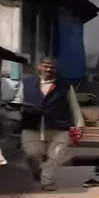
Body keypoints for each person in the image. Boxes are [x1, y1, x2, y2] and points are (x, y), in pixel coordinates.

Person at [13, 57, 84, 191]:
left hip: (58, 124)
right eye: (46, 66)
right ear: (39, 67)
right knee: (32, 154)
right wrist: (17, 110)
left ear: (56, 69)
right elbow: (18, 100)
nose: (49, 69)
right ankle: (37, 171)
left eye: (52, 67)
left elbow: (73, 105)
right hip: (32, 124)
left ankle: (47, 181)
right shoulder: (27, 83)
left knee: (55, 155)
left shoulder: (65, 85)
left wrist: (79, 125)